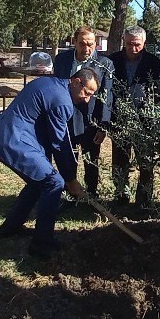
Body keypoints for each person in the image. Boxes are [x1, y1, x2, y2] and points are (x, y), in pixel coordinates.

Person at [0, 70, 99, 259]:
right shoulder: (62, 100)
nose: (87, 100)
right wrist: (70, 180)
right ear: (76, 82)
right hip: (14, 140)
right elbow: (60, 143)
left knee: (38, 182)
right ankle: (42, 243)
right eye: (86, 93)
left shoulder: (51, 84)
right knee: (53, 183)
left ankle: (10, 228)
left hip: (4, 136)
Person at [52, 27, 115, 197]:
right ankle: (68, 193)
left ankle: (92, 194)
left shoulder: (105, 64)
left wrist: (104, 126)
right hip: (66, 121)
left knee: (91, 161)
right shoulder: (61, 60)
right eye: (82, 44)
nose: (86, 49)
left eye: (90, 44)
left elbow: (107, 97)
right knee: (66, 160)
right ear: (74, 42)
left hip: (91, 122)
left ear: (96, 44)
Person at [109, 26, 160, 206]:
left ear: (144, 43)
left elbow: (158, 92)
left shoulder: (153, 62)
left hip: (145, 121)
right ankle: (120, 195)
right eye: (129, 44)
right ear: (124, 42)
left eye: (137, 44)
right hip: (119, 119)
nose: (133, 48)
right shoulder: (112, 61)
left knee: (146, 161)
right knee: (119, 160)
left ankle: (144, 199)